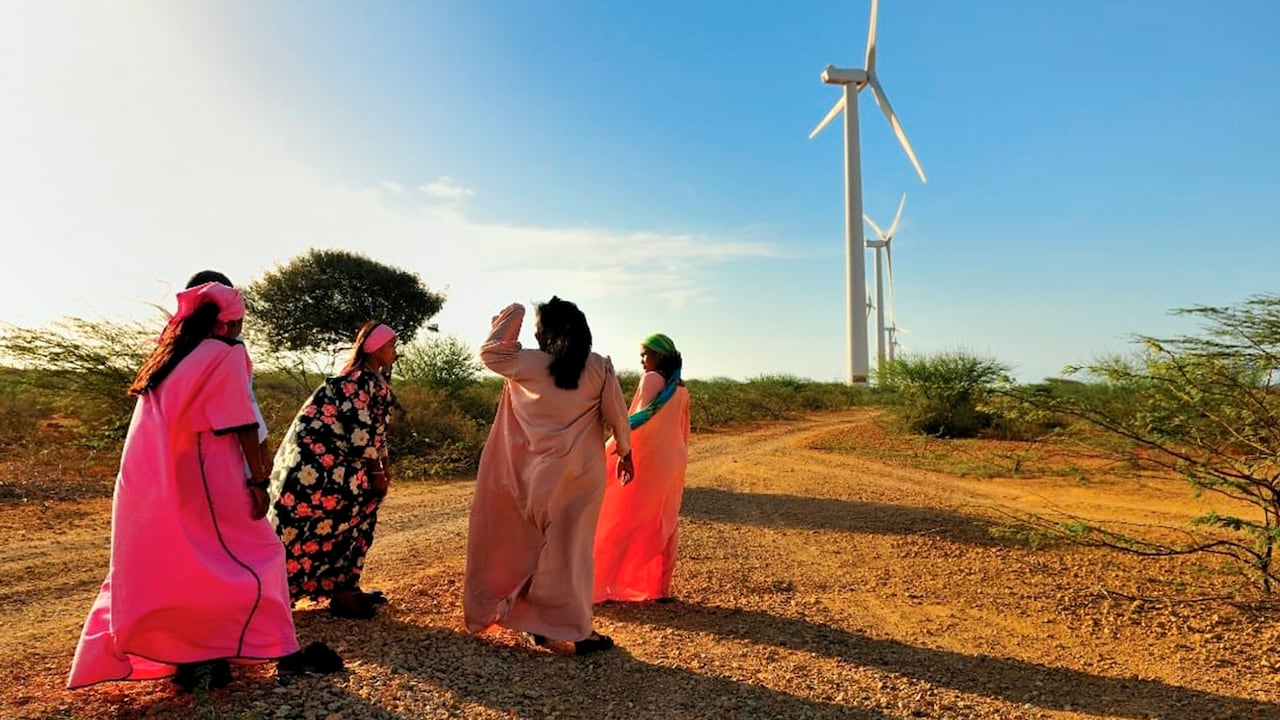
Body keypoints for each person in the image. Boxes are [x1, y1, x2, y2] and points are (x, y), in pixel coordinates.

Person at [68, 282, 302, 690]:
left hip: (150, 482)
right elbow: (241, 419)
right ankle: (257, 646)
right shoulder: (227, 354)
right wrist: (260, 480)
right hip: (208, 477)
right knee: (258, 554)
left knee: (173, 563)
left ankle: (189, 656)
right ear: (230, 322)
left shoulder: (169, 354)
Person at [463, 299, 634, 655]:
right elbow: (618, 416)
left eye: (539, 326)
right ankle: (576, 629)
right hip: (580, 477)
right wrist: (626, 453)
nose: (536, 333)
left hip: (529, 477)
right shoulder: (598, 367)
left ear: (547, 331)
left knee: (527, 548)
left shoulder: (525, 363)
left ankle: (535, 622)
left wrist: (514, 313)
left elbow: (490, 351)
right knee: (571, 552)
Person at [268, 321, 398, 619]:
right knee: (310, 530)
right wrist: (377, 473)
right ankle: (276, 596)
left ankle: (345, 590)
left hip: (346, 471)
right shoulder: (353, 383)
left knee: (355, 524)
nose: (395, 352)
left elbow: (378, 433)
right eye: (391, 345)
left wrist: (384, 468)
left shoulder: (373, 381)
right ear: (375, 349)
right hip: (319, 474)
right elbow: (359, 436)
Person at [593, 333, 690, 603]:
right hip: (672, 460)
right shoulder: (680, 386)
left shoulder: (651, 380)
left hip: (650, 458)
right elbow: (682, 430)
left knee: (620, 515)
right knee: (661, 519)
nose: (641, 360)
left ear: (659, 356)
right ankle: (658, 588)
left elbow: (638, 420)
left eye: (645, 354)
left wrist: (617, 445)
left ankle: (605, 580)